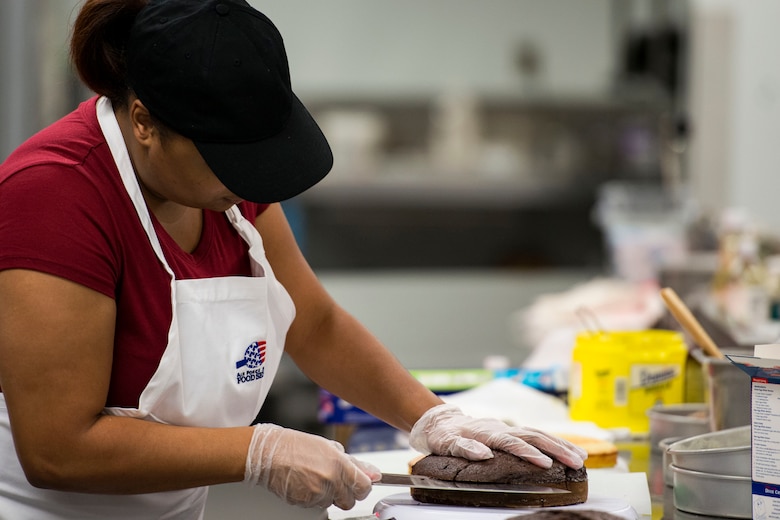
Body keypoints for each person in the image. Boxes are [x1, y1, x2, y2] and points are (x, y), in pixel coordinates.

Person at [0, 0, 586, 518]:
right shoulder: (54, 195)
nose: (249, 185)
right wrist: (257, 450)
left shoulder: (224, 185)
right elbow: (58, 449)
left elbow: (312, 321)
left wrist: (432, 419)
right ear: (144, 122)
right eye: (230, 163)